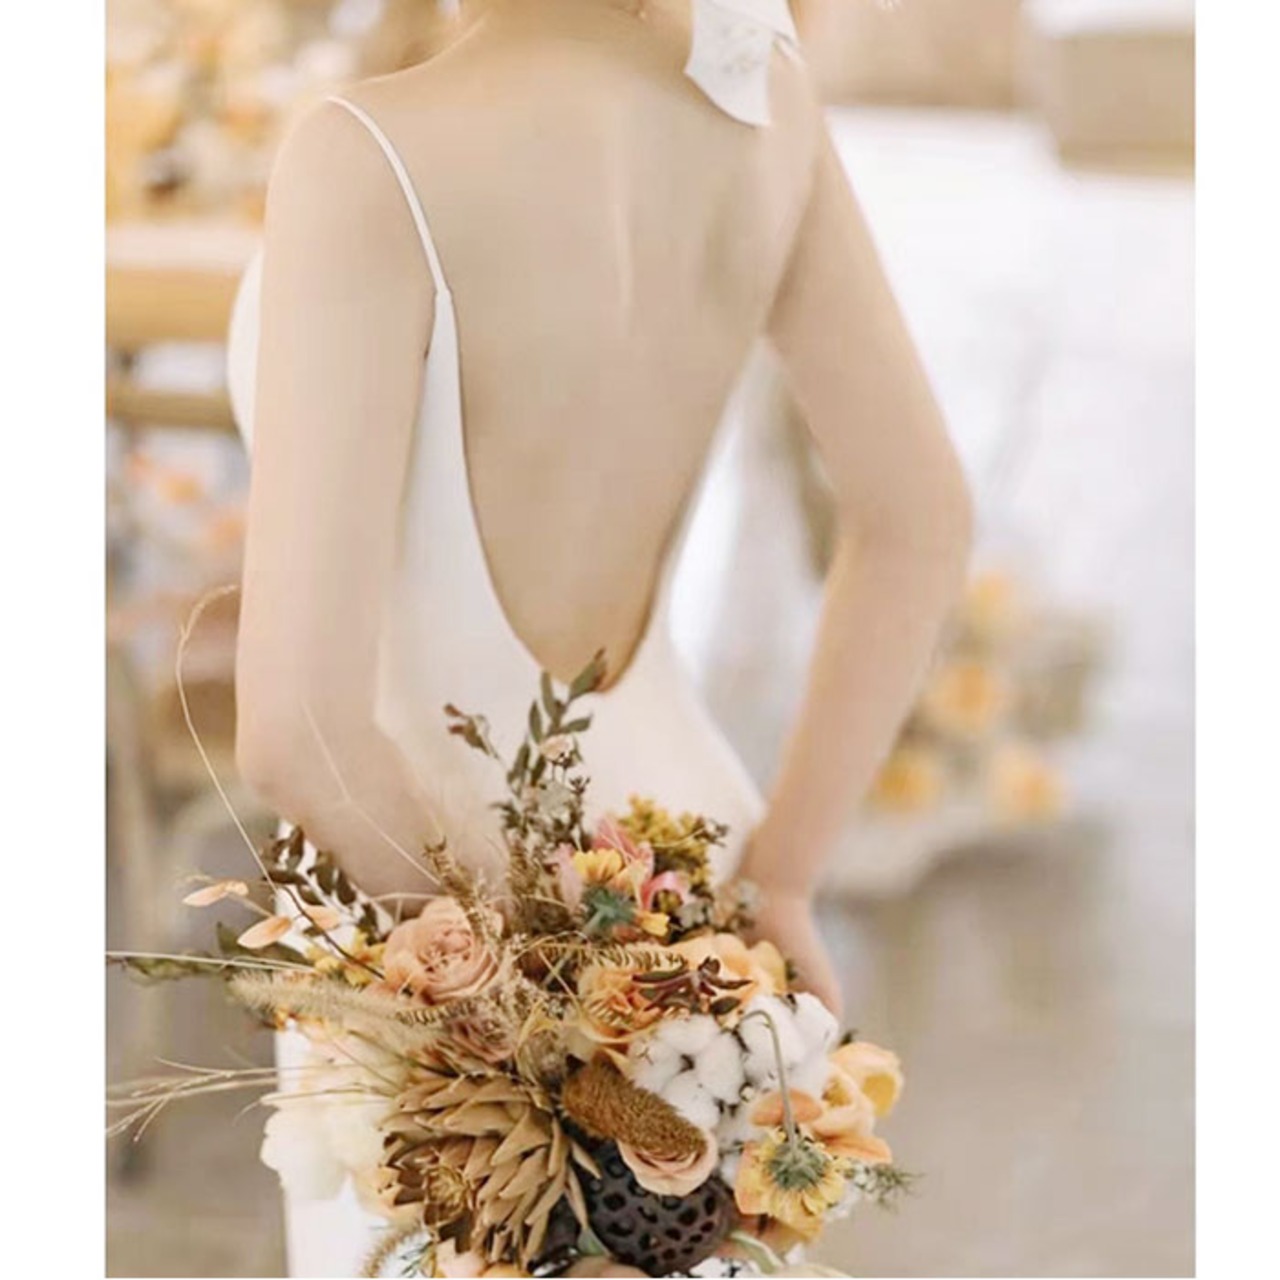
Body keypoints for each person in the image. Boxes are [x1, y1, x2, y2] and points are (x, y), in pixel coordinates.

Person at [229, 2, 970, 1270]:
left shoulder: (364, 154)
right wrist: (784, 876)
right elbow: (922, 518)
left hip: (429, 921)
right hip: (692, 881)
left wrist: (517, 1014)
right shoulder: (759, 91)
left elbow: (303, 732)